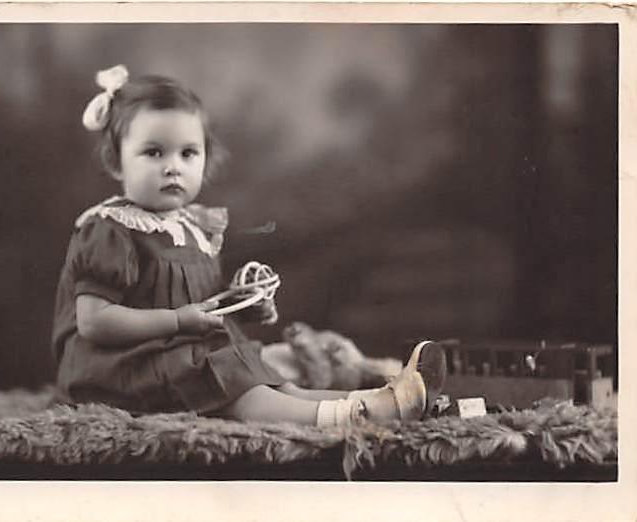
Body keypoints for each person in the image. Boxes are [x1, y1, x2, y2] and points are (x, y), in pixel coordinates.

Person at [51, 64, 446, 428]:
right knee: (246, 394)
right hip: (124, 369)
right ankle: (359, 413)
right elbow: (94, 321)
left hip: (184, 355)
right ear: (116, 162)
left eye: (188, 153)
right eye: (154, 152)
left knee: (275, 386)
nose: (173, 166)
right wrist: (179, 321)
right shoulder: (110, 228)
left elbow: (202, 304)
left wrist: (242, 304)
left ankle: (386, 401)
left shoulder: (194, 227)